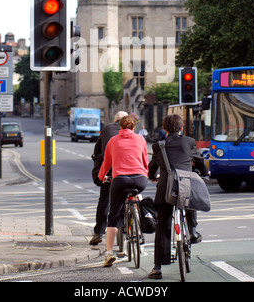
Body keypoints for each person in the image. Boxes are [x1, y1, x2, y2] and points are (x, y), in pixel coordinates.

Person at [148, 114, 209, 280]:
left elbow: (152, 166)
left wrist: (152, 176)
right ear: (181, 128)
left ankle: (157, 267)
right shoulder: (188, 142)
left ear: (165, 129)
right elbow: (200, 160)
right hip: (184, 185)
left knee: (162, 226)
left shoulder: (159, 145)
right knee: (190, 198)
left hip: (165, 190)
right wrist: (205, 173)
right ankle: (193, 231)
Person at [98, 115, 149, 267]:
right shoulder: (141, 139)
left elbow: (106, 163)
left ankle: (108, 253)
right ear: (134, 128)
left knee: (113, 216)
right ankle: (138, 221)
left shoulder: (112, 141)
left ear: (120, 127)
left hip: (120, 180)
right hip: (140, 180)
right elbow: (145, 161)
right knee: (137, 193)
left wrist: (102, 177)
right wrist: (145, 173)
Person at [90, 111, 128, 246]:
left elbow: (97, 150)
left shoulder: (107, 129)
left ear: (115, 120)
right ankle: (129, 229)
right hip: (130, 170)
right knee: (129, 196)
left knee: (105, 198)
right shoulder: (133, 131)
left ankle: (99, 232)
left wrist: (97, 163)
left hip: (111, 170)